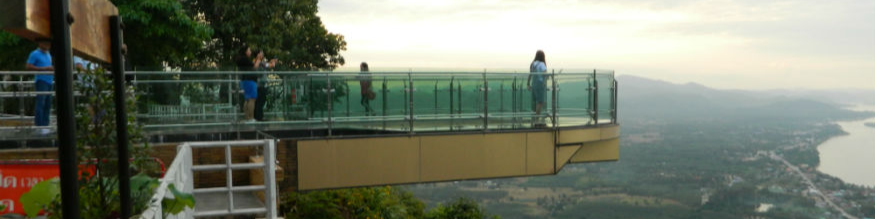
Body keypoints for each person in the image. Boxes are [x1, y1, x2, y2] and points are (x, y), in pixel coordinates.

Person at [26, 38, 54, 134]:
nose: (47, 44)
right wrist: (44, 69)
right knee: (40, 103)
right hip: (41, 80)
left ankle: (45, 126)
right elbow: (28, 66)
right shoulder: (35, 53)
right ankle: (39, 126)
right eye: (45, 42)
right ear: (40, 43)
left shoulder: (48, 54)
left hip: (49, 80)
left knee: (48, 104)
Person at [236, 46, 259, 123]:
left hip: (244, 80)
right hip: (250, 80)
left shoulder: (240, 59)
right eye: (249, 50)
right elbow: (255, 66)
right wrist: (258, 59)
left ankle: (247, 118)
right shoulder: (245, 59)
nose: (250, 52)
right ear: (245, 51)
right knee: (252, 99)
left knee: (247, 99)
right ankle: (251, 118)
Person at [253, 50, 277, 121]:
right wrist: (272, 62)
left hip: (260, 84)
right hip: (259, 85)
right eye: (261, 53)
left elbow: (270, 65)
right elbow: (271, 65)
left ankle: (258, 116)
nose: (262, 54)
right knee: (260, 101)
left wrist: (272, 62)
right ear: (257, 54)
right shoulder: (258, 62)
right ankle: (259, 117)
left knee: (259, 101)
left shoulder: (261, 62)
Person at [527, 50, 548, 125]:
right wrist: (545, 81)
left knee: (535, 102)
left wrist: (528, 84)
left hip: (534, 84)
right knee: (540, 102)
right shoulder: (542, 64)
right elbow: (545, 73)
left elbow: (530, 74)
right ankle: (537, 119)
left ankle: (534, 119)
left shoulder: (533, 64)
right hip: (540, 84)